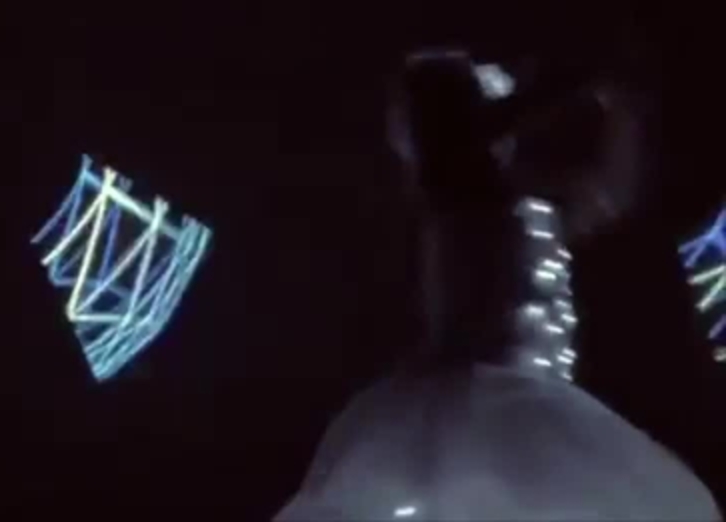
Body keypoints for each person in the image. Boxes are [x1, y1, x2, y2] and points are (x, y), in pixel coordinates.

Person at [273, 50, 721, 521]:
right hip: (485, 392)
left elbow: (601, 192)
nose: (499, 96)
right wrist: (584, 78)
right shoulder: (459, 188)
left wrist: (613, 102)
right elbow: (523, 116)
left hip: (524, 393)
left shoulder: (512, 199)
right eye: (483, 93)